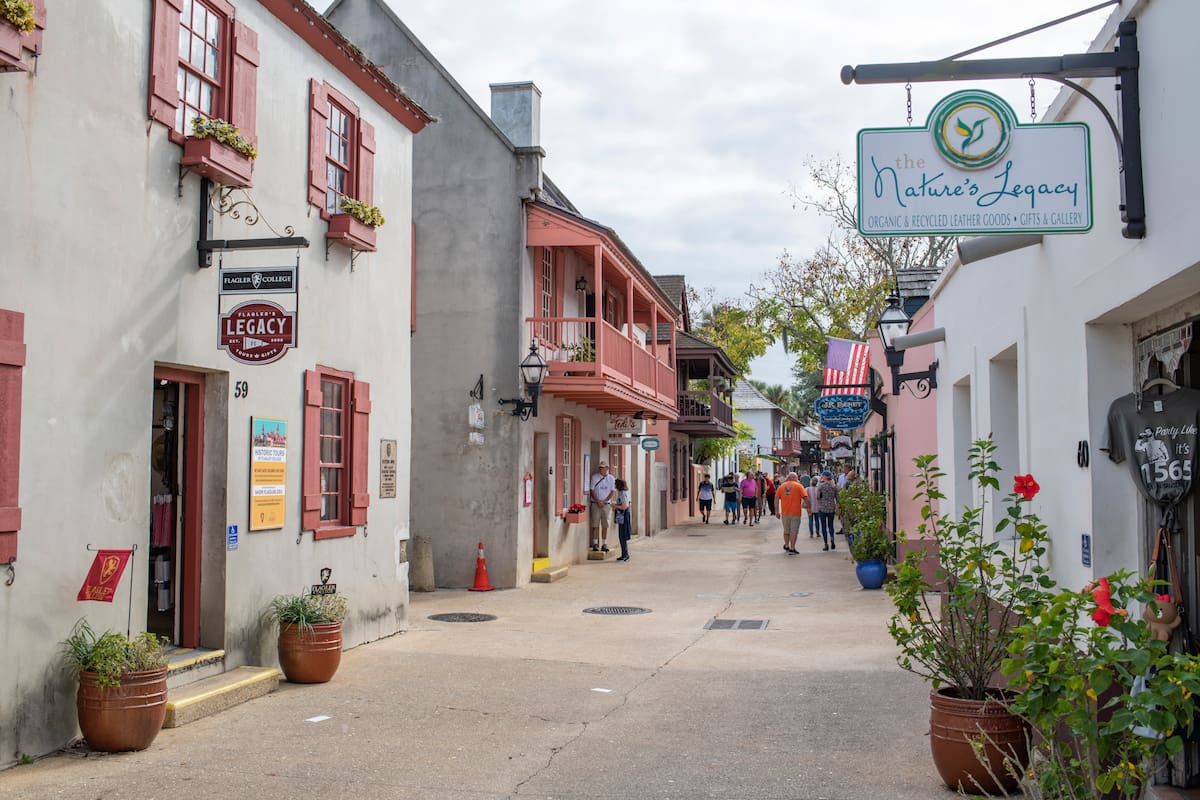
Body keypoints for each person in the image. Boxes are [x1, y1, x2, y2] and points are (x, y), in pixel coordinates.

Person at [776, 472, 808, 554]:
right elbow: (805, 498)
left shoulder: (781, 486)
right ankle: (792, 548)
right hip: (796, 513)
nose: (798, 479)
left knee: (786, 531)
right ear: (794, 478)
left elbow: (776, 499)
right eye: (797, 477)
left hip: (785, 512)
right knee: (794, 531)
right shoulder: (799, 486)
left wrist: (777, 511)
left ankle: (786, 546)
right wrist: (809, 508)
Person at [589, 461, 615, 552]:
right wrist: (598, 501)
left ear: (607, 468)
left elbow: (612, 491)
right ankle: (595, 543)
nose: (601, 469)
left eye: (602, 467)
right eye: (600, 467)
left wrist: (604, 501)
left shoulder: (611, 478)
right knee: (595, 524)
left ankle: (604, 543)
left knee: (605, 525)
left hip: (606, 505)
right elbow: (592, 490)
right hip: (595, 504)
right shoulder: (594, 477)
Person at [811, 470, 840, 550]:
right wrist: (837, 508)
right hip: (831, 508)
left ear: (824, 477)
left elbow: (818, 497)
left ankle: (826, 544)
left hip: (822, 508)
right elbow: (838, 499)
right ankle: (832, 538)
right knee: (831, 525)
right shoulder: (834, 486)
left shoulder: (821, 486)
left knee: (823, 526)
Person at [613, 478, 632, 561]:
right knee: (621, 535)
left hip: (623, 515)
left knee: (623, 535)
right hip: (623, 514)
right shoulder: (622, 493)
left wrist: (615, 506)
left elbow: (624, 506)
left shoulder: (622, 493)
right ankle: (624, 553)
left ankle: (625, 554)